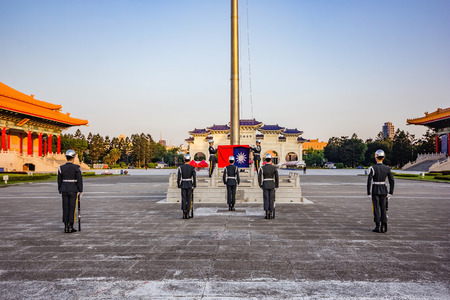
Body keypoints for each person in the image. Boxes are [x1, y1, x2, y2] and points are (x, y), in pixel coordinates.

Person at [367, 149, 395, 233]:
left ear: (376, 157)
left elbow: (369, 181)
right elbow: (392, 181)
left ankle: (377, 226)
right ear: (383, 158)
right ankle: (383, 225)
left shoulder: (373, 168)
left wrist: (368, 192)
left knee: (376, 208)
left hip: (375, 189)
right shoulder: (387, 168)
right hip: (383, 189)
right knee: (383, 208)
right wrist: (391, 192)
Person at [57, 149, 83, 233]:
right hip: (73, 189)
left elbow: (59, 180)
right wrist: (80, 190)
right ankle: (71, 226)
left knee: (65, 208)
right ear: (73, 157)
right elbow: (79, 179)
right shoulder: (76, 167)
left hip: (64, 189)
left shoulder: (61, 168)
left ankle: (66, 227)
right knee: (72, 208)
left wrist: (60, 190)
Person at [258, 153, 279, 219]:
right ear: (271, 160)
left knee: (266, 198)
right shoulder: (274, 167)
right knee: (271, 199)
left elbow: (259, 177)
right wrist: (276, 185)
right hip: (272, 184)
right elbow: (277, 177)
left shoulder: (262, 168)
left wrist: (260, 184)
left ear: (265, 160)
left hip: (265, 184)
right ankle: (271, 212)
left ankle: (267, 213)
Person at [177, 154, 197, 219]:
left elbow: (179, 177)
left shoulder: (180, 168)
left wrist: (179, 184)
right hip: (189, 184)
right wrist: (194, 185)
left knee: (183, 199)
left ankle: (184, 213)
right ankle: (188, 213)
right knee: (189, 199)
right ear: (190, 160)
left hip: (183, 184)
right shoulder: (192, 168)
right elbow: (194, 177)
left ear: (184, 160)